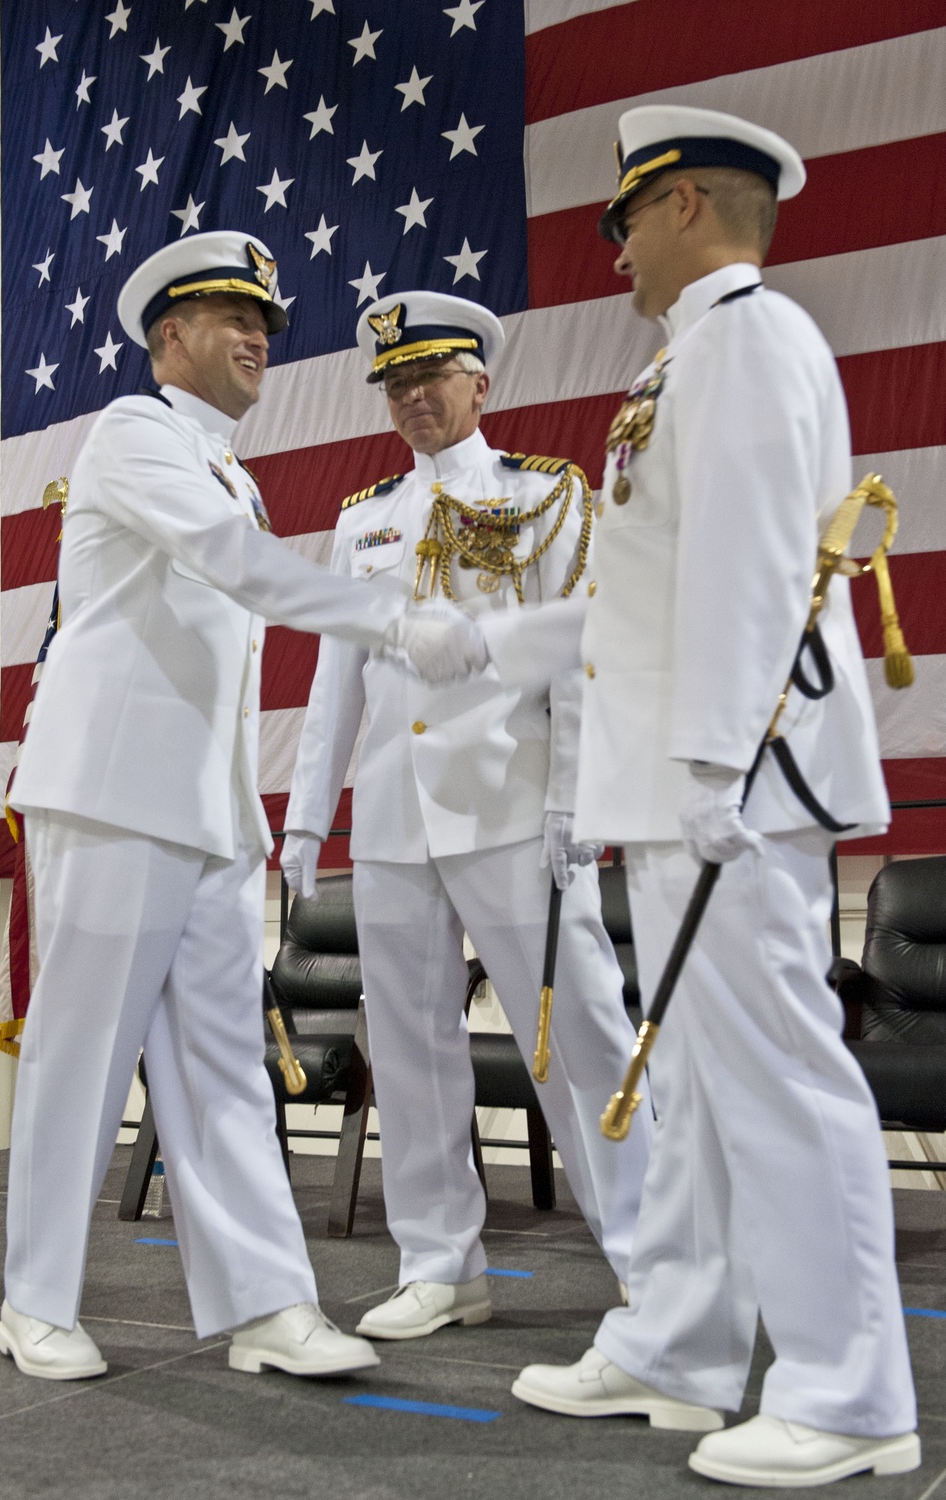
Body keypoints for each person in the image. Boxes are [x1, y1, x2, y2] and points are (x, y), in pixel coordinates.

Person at [452, 108, 921, 1486]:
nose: (613, 254)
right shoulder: (688, 360)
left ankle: (851, 1396)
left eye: (623, 222)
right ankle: (683, 1344)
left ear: (687, 209)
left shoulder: (756, 340)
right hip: (675, 783)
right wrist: (488, 639)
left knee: (780, 1079)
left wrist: (720, 760)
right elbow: (644, 599)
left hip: (732, 782)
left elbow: (765, 567)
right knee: (707, 1095)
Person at [0, 232, 475, 1383]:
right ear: (170, 337)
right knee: (81, 1057)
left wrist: (251, 813)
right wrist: (387, 618)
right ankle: (34, 1301)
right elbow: (226, 565)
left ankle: (266, 1305)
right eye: (229, 316)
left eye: (263, 317)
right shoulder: (134, 436)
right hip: (113, 796)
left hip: (206, 812)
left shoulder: (235, 473)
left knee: (223, 1064)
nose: (259, 334)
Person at [281, 291, 652, 1342]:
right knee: (408, 1049)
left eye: (431, 377)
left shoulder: (542, 496)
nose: (412, 397)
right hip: (395, 821)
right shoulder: (362, 520)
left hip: (511, 811)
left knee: (581, 1034)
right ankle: (441, 1263)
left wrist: (577, 796)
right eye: (395, 384)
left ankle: (653, 1257)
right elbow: (335, 682)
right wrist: (311, 815)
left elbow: (577, 659)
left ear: (479, 381)